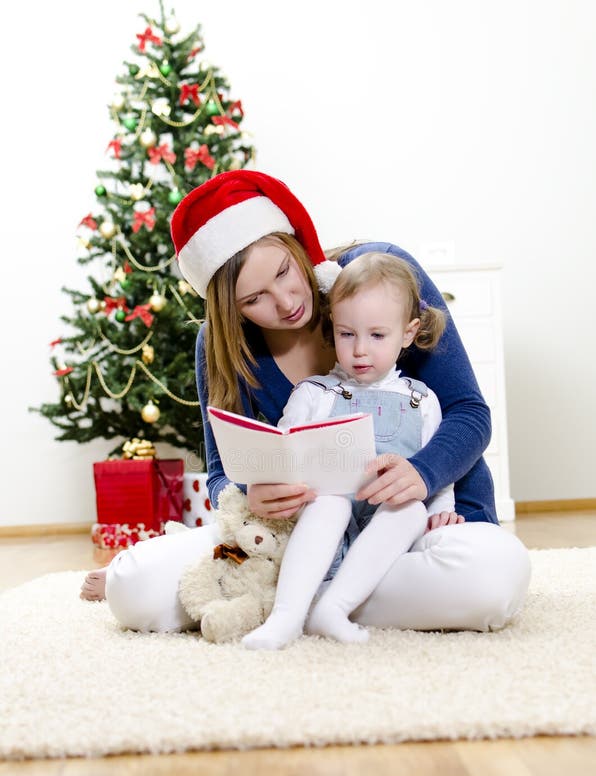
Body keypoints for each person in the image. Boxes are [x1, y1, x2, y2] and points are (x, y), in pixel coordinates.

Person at [80, 170, 530, 637]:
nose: (285, 301)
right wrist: (250, 494)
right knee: (132, 590)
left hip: (418, 526)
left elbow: (469, 412)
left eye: (283, 272)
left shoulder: (382, 276)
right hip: (292, 539)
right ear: (230, 308)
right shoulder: (221, 345)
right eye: (254, 298)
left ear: (296, 242)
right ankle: (314, 596)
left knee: (494, 577)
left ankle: (297, 600)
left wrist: (423, 473)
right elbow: (220, 474)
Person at [242, 252, 460, 650]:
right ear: (333, 330)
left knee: (410, 506)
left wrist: (440, 505)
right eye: (347, 334)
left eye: (377, 336)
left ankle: (334, 608)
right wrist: (276, 482)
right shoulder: (313, 392)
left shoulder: (421, 399)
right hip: (326, 516)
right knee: (330, 502)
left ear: (408, 334)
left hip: (389, 526)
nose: (360, 350)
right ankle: (286, 615)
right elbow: (282, 451)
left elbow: (435, 466)